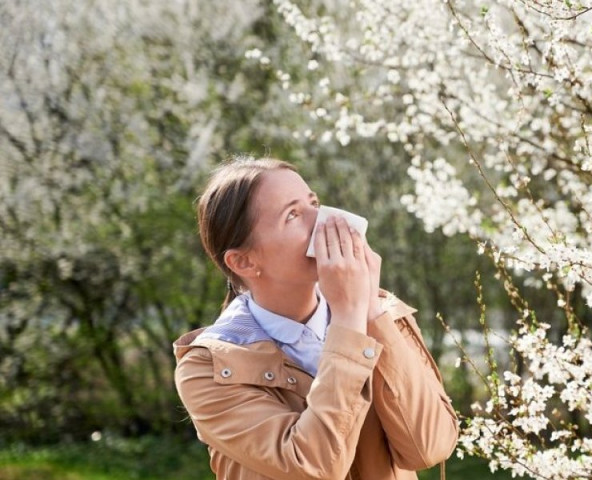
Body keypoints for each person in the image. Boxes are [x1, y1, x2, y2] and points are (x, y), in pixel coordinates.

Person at [173, 157, 458, 480]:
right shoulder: (208, 369)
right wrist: (349, 321)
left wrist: (368, 313)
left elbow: (429, 448)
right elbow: (314, 468)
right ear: (243, 262)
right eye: (293, 215)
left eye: (314, 203)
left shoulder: (382, 314)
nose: (323, 220)